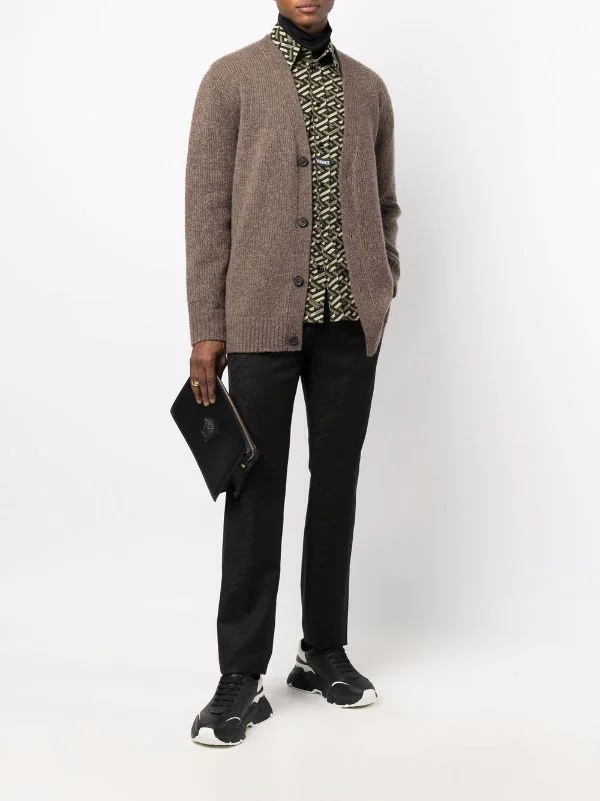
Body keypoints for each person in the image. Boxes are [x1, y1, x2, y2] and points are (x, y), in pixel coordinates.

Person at [185, 0, 401, 746]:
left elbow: (385, 202)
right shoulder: (231, 79)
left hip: (350, 325)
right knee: (253, 491)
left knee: (336, 485)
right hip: (258, 324)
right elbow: (206, 212)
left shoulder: (368, 88)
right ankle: (240, 676)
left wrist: (382, 280)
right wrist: (207, 327)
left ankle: (323, 650)